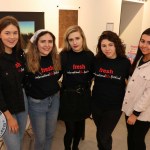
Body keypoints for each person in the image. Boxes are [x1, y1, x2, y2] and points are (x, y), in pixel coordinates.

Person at [92, 31, 131, 150]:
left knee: (103, 135)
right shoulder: (97, 61)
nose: (107, 48)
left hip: (114, 107)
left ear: (116, 45)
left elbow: (132, 84)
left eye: (110, 45)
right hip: (96, 104)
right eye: (103, 46)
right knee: (102, 134)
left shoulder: (124, 63)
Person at [59, 25, 94, 150]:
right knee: (70, 130)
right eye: (71, 39)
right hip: (68, 98)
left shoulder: (90, 55)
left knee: (79, 128)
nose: (74, 42)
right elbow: (56, 74)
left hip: (83, 97)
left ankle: (75, 147)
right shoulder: (64, 55)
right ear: (67, 41)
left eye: (77, 38)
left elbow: (92, 76)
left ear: (82, 38)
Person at [25, 29, 61, 150]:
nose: (47, 45)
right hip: (37, 104)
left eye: (50, 41)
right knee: (40, 139)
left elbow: (57, 76)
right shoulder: (27, 60)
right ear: (36, 43)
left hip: (54, 100)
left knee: (50, 135)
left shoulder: (56, 58)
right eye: (43, 41)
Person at [0, 16, 28, 150]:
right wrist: (9, 117)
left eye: (15, 33)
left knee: (20, 138)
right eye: (7, 33)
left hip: (21, 102)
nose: (12, 37)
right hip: (3, 109)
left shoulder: (20, 54)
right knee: (14, 146)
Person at [122, 28, 150, 150]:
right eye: (142, 41)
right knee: (131, 137)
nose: (144, 45)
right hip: (130, 107)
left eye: (149, 42)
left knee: (138, 140)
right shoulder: (140, 59)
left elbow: (148, 94)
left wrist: (135, 114)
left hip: (141, 114)